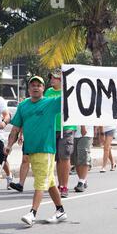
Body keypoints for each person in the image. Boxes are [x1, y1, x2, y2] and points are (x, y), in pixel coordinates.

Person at [4, 76, 67, 226]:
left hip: (46, 149)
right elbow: (16, 128)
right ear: (29, 88)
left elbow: (69, 97)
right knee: (49, 181)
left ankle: (32, 213)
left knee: (40, 181)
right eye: (32, 85)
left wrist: (69, 79)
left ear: (43, 88)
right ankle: (60, 210)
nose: (35, 87)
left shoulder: (51, 103)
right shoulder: (23, 105)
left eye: (39, 85)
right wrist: (9, 145)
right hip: (30, 150)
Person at [44, 69, 77, 198]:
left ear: (61, 79)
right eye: (51, 77)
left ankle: (64, 186)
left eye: (55, 77)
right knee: (57, 159)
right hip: (53, 128)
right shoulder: (48, 92)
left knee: (65, 157)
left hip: (67, 127)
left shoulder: (68, 91)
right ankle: (59, 184)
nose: (52, 79)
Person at [72, 125, 93, 192]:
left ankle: (81, 181)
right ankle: (83, 180)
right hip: (73, 131)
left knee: (84, 155)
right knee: (75, 158)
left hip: (85, 133)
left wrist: (83, 127)